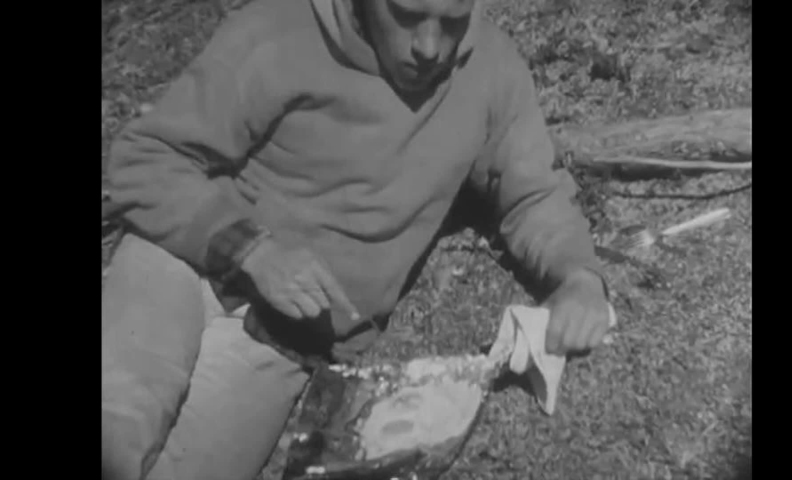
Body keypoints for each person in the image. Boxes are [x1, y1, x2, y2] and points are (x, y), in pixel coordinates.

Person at [101, 0, 614, 479]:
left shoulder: (492, 74)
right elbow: (146, 161)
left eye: (454, 21)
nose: (430, 46)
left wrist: (578, 277)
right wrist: (252, 249)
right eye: (406, 15)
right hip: (179, 263)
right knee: (115, 435)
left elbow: (534, 194)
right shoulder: (278, 30)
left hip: (283, 337)